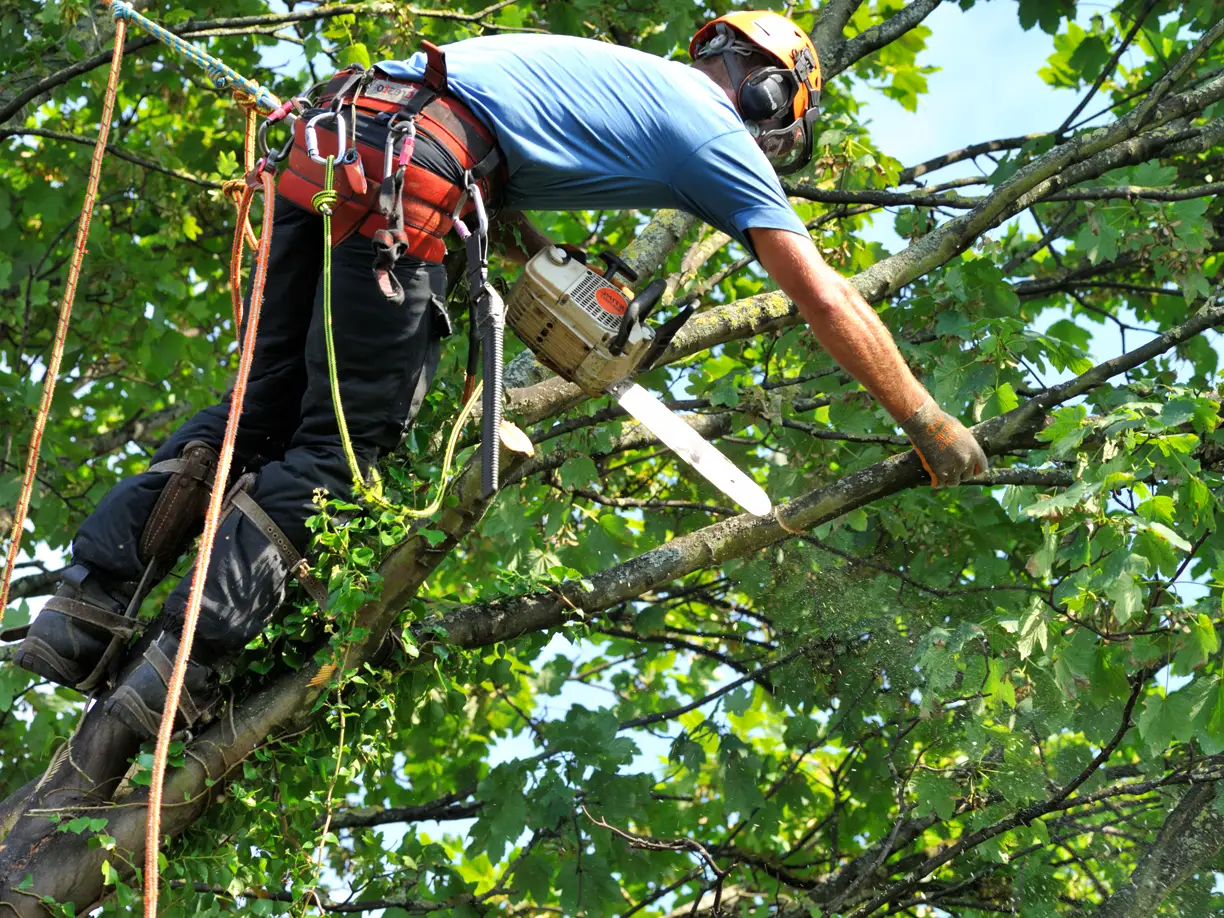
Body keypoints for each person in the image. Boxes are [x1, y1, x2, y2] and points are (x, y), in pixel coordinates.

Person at [11, 11, 988, 738]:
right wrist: (926, 420)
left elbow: (480, 141)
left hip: (337, 137)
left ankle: (84, 609)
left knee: (257, 414)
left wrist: (533, 262)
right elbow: (827, 298)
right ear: (773, 101)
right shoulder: (716, 136)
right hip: (414, 172)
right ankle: (175, 677)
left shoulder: (612, 76)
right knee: (347, 456)